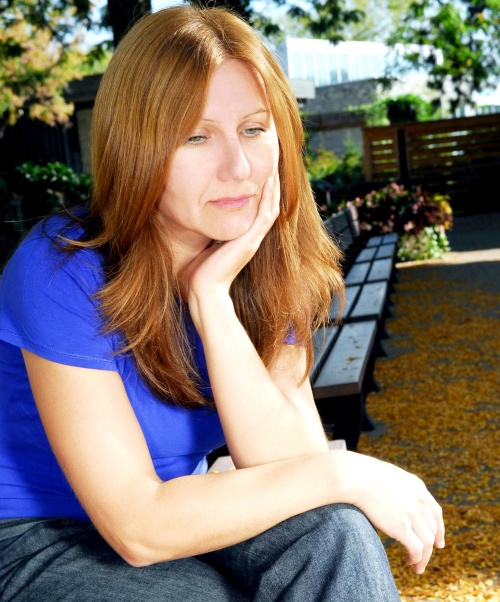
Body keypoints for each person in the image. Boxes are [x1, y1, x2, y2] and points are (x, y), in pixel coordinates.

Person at [0, 5, 444, 600]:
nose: (237, 168)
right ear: (136, 149)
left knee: (335, 532)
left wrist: (211, 300)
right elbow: (137, 526)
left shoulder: (260, 258)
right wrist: (348, 469)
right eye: (196, 136)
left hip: (179, 510)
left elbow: (289, 462)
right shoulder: (61, 267)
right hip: (35, 535)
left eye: (254, 130)